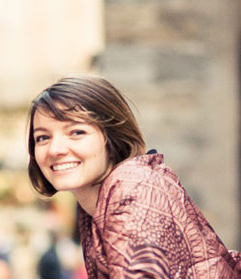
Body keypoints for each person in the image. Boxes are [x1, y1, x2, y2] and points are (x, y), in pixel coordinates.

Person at [27, 76, 241, 278]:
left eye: (77, 132)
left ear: (111, 137)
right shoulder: (98, 202)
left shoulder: (132, 188)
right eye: (43, 137)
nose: (55, 149)